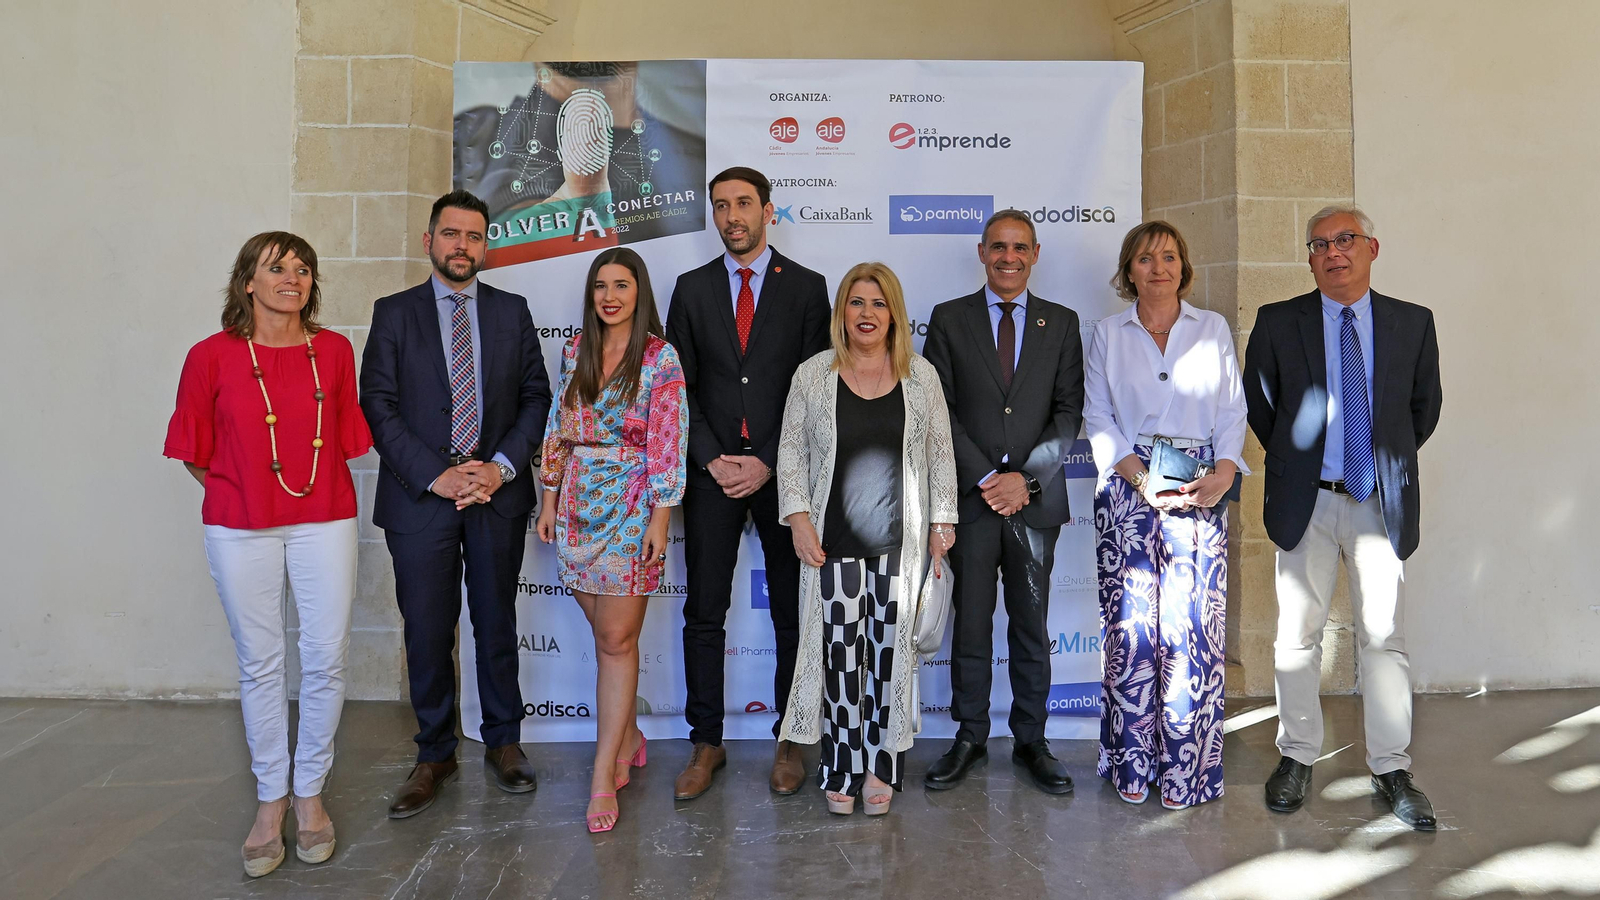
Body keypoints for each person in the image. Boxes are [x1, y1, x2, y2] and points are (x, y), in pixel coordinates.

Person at [165, 232, 372, 877]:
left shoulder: (333, 351)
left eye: (303, 269)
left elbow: (345, 437)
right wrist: (245, 491)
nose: (292, 278)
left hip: (324, 519)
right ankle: (270, 800)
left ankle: (309, 794)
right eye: (276, 267)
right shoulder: (209, 356)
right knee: (261, 663)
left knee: (326, 657)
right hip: (239, 526)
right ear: (247, 282)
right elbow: (196, 451)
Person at [1244, 205, 1443, 830]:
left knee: (1384, 638)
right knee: (1297, 635)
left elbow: (1423, 409)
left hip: (1378, 500)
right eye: (1320, 244)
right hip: (1306, 500)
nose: (1333, 252)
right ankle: (1297, 755)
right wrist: (1302, 465)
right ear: (1310, 258)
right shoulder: (1278, 321)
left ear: (1372, 249)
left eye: (1346, 240)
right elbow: (1262, 406)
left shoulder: (1413, 322)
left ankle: (1391, 768)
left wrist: (1377, 464)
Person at [360, 190, 553, 819]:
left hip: (495, 495)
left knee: (496, 622)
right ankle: (435, 752)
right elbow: (378, 405)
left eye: (473, 236)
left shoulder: (511, 311)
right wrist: (436, 477)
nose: (462, 246)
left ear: (486, 245)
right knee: (427, 629)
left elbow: (536, 396)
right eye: (450, 234)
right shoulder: (394, 313)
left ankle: (503, 741)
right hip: (421, 500)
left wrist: (499, 469)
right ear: (430, 241)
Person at [664, 166, 831, 800]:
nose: (732, 216)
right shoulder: (691, 288)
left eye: (742, 203)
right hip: (711, 476)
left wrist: (766, 459)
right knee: (704, 612)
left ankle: (792, 737)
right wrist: (711, 458)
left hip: (783, 474)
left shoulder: (808, 288)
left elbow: (813, 389)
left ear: (767, 210)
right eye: (720, 206)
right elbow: (678, 387)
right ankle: (705, 742)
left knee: (793, 611)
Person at [776, 263, 959, 816]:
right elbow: (791, 450)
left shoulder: (921, 376)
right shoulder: (813, 375)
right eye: (856, 302)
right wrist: (798, 517)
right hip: (831, 549)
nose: (867, 314)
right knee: (840, 665)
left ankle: (882, 768)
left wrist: (942, 521)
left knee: (887, 662)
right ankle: (840, 768)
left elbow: (940, 452)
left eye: (878, 304)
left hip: (899, 548)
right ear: (842, 313)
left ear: (894, 314)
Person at [1084, 221, 1248, 810]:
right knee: (1131, 631)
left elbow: (1231, 409)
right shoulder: (1107, 333)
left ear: (1184, 267)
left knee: (1191, 634)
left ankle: (1186, 771)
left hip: (1200, 488)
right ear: (1129, 270)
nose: (1159, 268)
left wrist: (1225, 473)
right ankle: (1131, 763)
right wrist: (1141, 480)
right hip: (1129, 491)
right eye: (1146, 258)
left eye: (1170, 257)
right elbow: (1097, 416)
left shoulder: (1213, 328)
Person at [922, 209, 1085, 795]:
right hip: (972, 501)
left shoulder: (1061, 323)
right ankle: (969, 736)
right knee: (970, 625)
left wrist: (1026, 480)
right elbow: (938, 409)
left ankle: (1031, 741)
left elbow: (1069, 411)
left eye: (1019, 247)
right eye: (998, 247)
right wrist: (990, 477)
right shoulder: (949, 318)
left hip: (1035, 505)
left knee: (1031, 626)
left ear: (1035, 254)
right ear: (982, 253)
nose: (1008, 257)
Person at [535, 247, 687, 832]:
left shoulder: (660, 357)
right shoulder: (576, 349)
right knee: (605, 633)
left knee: (617, 638)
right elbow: (558, 426)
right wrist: (549, 498)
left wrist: (660, 518)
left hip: (633, 502)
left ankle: (603, 774)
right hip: (577, 503)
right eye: (601, 285)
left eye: (621, 285)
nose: (610, 296)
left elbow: (669, 440)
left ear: (639, 291)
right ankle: (628, 736)